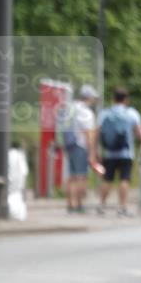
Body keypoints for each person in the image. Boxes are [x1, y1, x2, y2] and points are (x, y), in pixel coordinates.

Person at [96, 87, 141, 216]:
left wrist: (96, 150)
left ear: (113, 98)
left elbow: (97, 132)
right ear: (126, 99)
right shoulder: (132, 113)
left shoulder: (105, 113)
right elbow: (140, 133)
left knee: (107, 179)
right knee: (124, 179)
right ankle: (122, 207)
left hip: (109, 152)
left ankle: (101, 205)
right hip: (126, 153)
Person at [61, 85, 99, 214]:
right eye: (93, 97)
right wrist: (92, 152)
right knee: (81, 176)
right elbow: (88, 133)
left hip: (70, 144)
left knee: (71, 176)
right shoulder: (86, 112)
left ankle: (70, 205)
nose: (94, 100)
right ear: (88, 97)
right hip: (81, 146)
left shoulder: (70, 107)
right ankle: (78, 205)